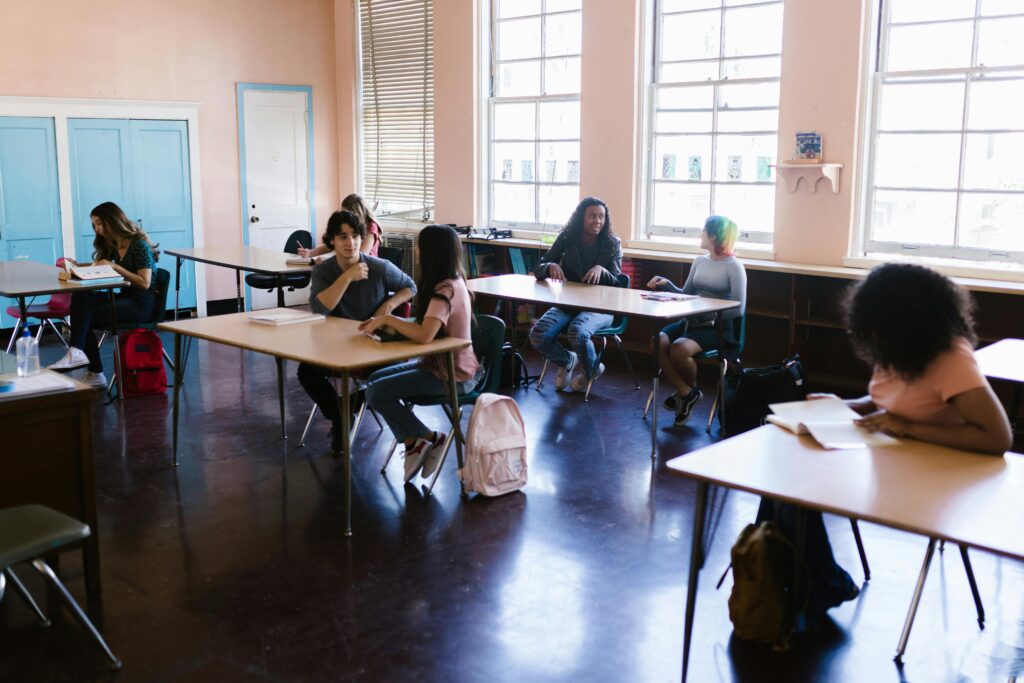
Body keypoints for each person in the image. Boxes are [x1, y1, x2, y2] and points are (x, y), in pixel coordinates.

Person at [765, 263, 1013, 625]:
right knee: (784, 487)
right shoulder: (897, 347)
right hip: (889, 460)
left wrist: (908, 428)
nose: (871, 332)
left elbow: (997, 437)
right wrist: (843, 404)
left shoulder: (950, 359)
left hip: (942, 480)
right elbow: (887, 401)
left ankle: (810, 584)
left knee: (795, 497)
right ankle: (796, 582)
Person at [360, 224, 481, 483]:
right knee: (373, 381)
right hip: (437, 366)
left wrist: (389, 320)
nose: (416, 251)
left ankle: (425, 438)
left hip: (453, 375)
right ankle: (415, 442)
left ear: (431, 253)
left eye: (419, 246)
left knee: (376, 392)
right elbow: (428, 326)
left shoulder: (446, 290)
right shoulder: (454, 281)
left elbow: (425, 334)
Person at [298, 210, 415, 454]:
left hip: (374, 347)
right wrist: (348, 277)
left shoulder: (379, 267)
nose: (350, 243)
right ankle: (342, 418)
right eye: (342, 237)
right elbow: (320, 307)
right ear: (332, 241)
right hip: (336, 346)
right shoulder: (323, 271)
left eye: (354, 236)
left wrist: (388, 308)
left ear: (362, 238)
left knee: (381, 379)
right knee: (306, 372)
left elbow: (410, 286)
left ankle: (344, 414)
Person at [646, 215, 746, 426]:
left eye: (703, 230)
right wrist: (668, 285)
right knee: (657, 341)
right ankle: (687, 392)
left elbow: (739, 309)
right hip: (692, 321)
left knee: (679, 348)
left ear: (714, 236)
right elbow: (686, 294)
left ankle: (686, 396)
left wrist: (708, 313)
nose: (700, 234)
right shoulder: (699, 261)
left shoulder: (734, 266)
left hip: (717, 326)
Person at [48, 202, 159, 388]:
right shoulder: (114, 245)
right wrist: (77, 266)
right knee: (81, 297)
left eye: (99, 223)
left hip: (141, 305)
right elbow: (101, 266)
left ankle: (94, 371)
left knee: (85, 316)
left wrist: (116, 266)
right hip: (125, 297)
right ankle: (77, 353)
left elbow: (145, 283)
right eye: (94, 225)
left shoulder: (139, 245)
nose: (97, 229)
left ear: (113, 220)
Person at [529, 196, 622, 392]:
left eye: (601, 217)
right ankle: (568, 359)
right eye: (592, 216)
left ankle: (592, 370)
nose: (597, 221)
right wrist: (550, 266)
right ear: (581, 218)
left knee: (577, 332)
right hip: (568, 302)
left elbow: (618, 282)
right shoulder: (566, 238)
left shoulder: (612, 243)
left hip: (601, 306)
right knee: (538, 335)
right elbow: (539, 267)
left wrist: (601, 270)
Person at [298, 193, 382, 259]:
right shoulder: (347, 224)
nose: (343, 216)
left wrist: (329, 261)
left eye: (346, 213)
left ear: (357, 213)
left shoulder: (372, 227)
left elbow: (362, 254)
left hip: (367, 269)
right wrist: (310, 253)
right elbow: (331, 245)